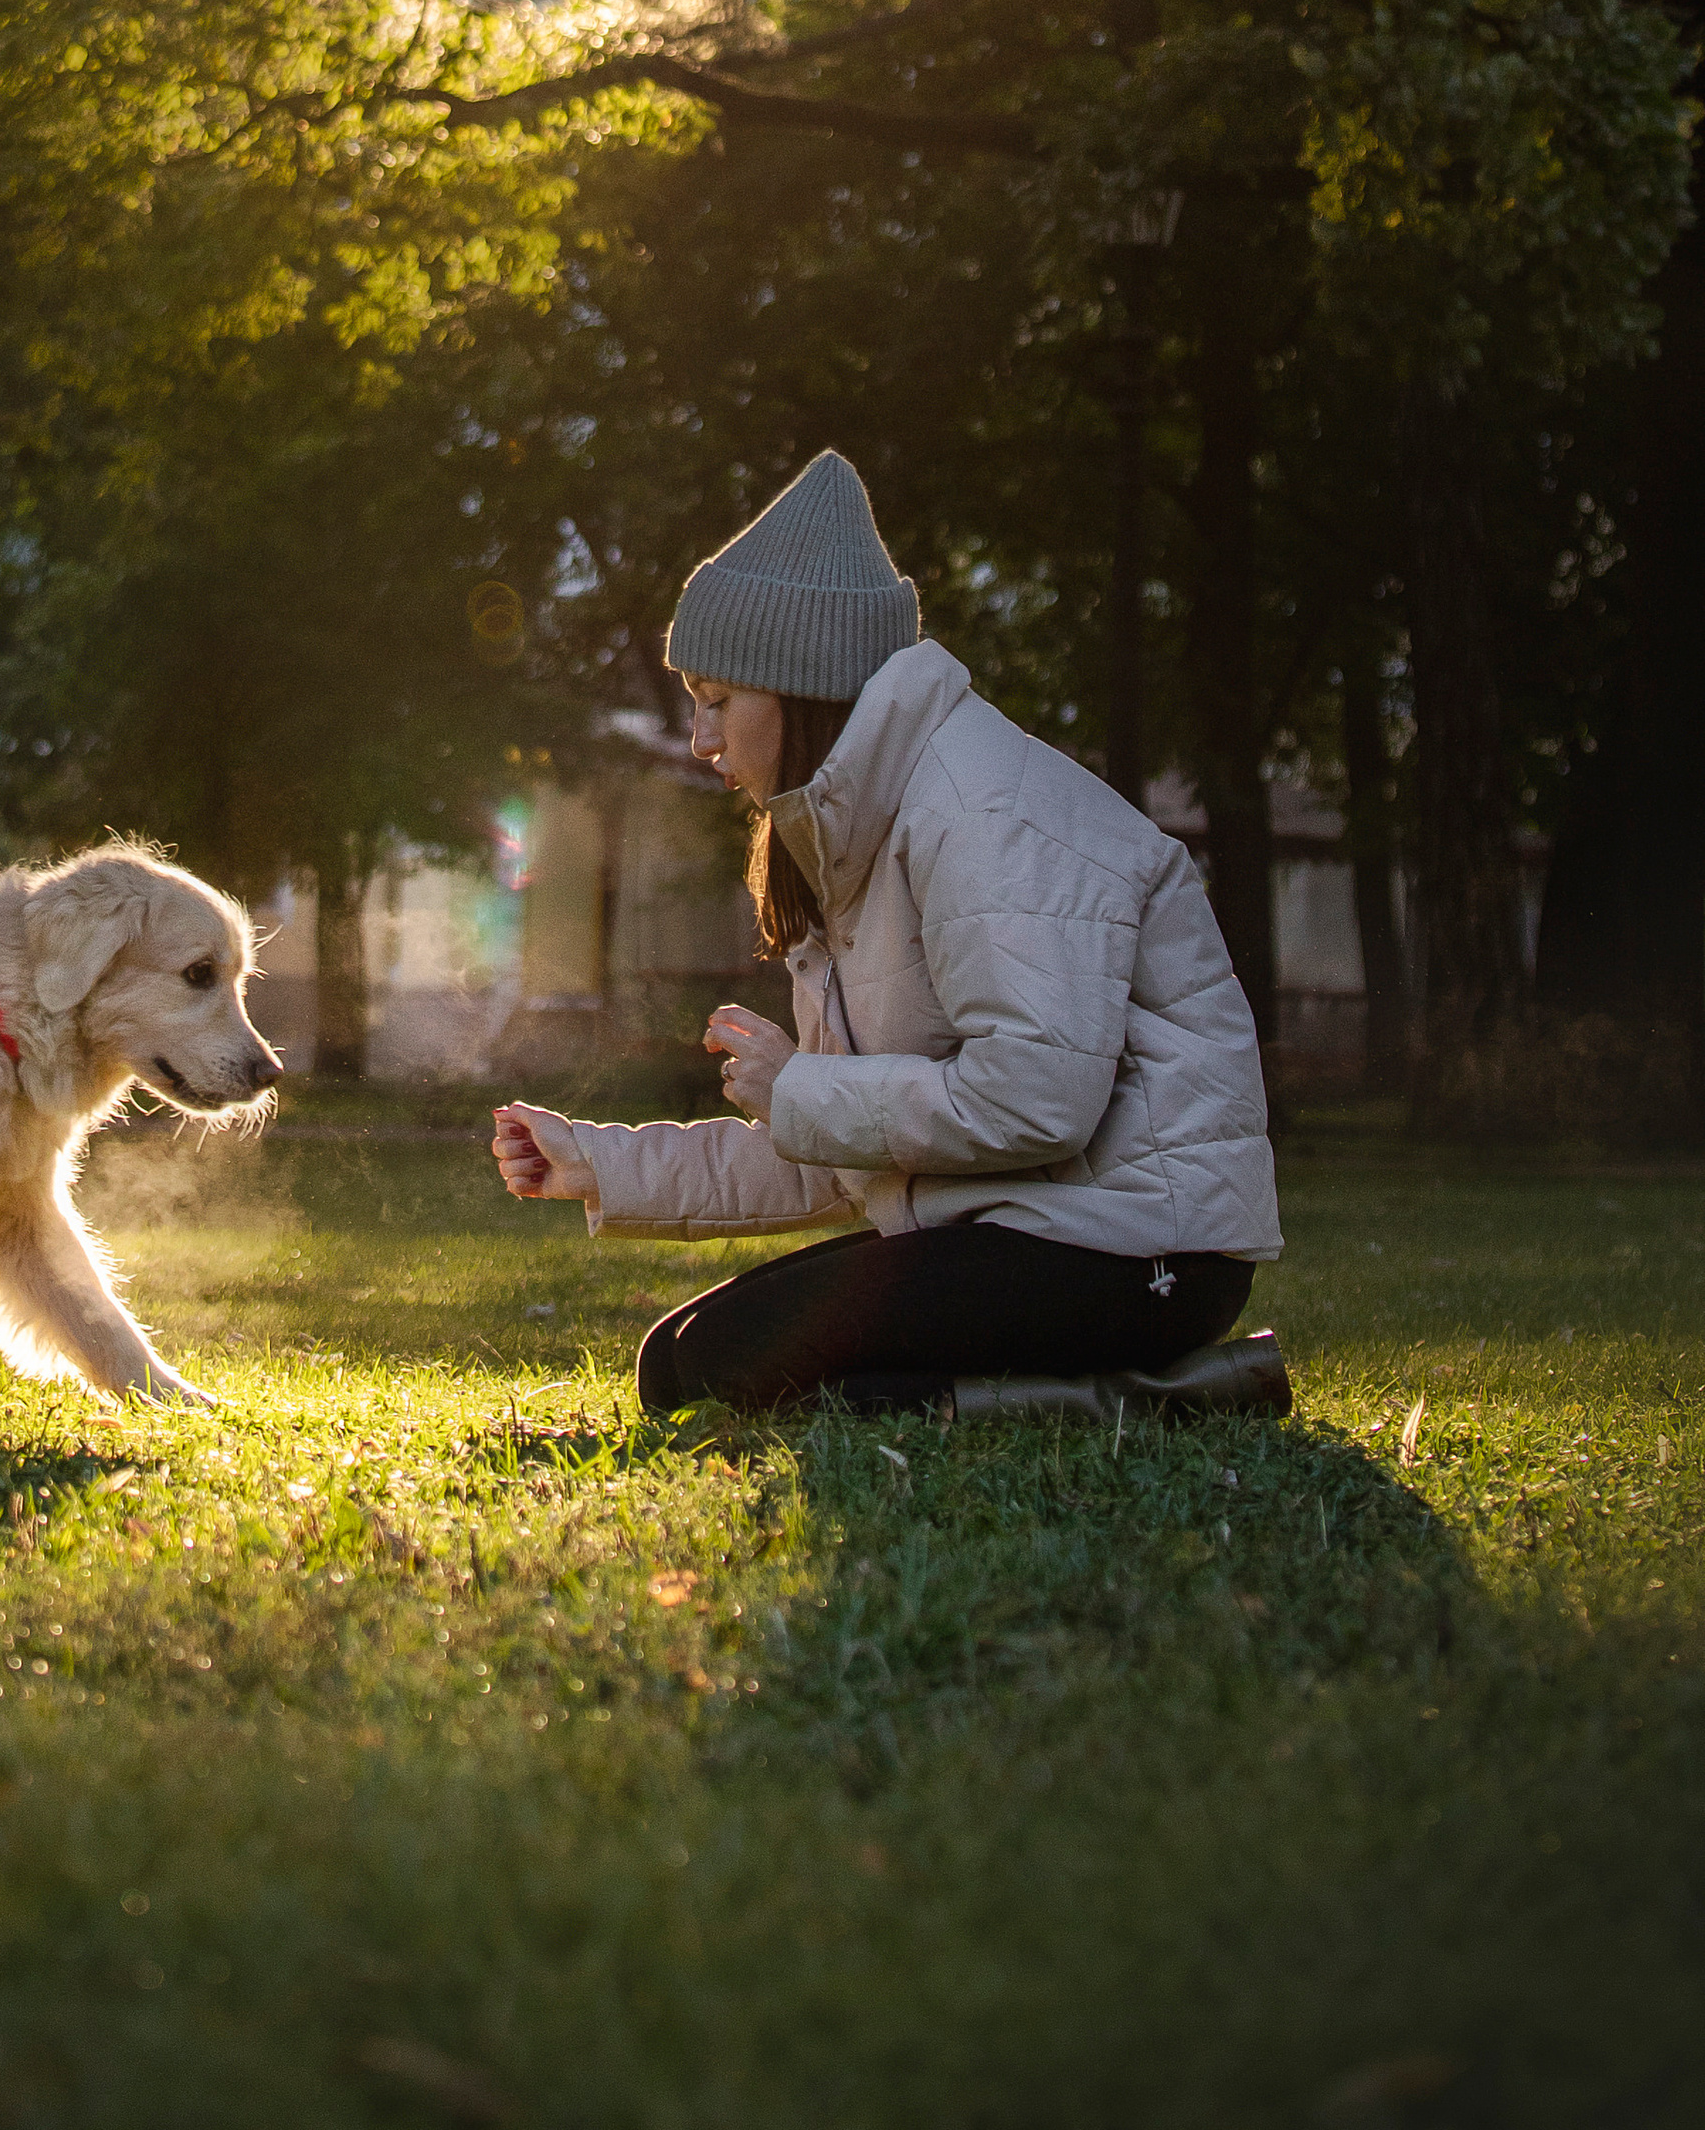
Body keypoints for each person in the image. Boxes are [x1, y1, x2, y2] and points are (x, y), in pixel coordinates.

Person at [492, 451, 1284, 1416]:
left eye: (717, 702)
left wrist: (800, 1085)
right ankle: (1108, 1393)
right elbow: (841, 1144)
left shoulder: (980, 811)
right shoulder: (851, 839)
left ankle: (1153, 1395)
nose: (702, 739)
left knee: (746, 1368)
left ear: (802, 689)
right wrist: (597, 1163)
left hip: (1143, 1246)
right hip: (1028, 1226)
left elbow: (1041, 1101)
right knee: (681, 1361)